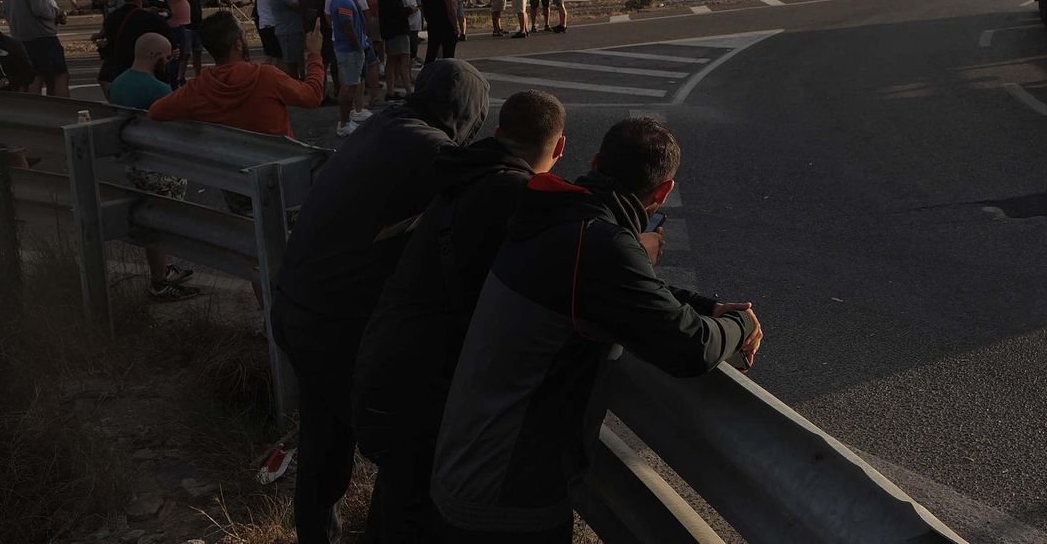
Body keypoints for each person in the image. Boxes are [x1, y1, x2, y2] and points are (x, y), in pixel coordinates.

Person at [431, 117, 763, 543]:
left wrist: (707, 306)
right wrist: (741, 322)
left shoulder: (556, 214)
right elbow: (689, 346)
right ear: (663, 192)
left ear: (595, 160)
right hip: (507, 496)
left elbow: (629, 290)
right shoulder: (597, 245)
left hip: (466, 465)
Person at [270, 60, 489, 544]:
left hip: (296, 302)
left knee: (325, 436)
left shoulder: (383, 124)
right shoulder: (430, 150)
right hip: (333, 322)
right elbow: (493, 191)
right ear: (467, 114)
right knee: (405, 447)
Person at [353, 90, 567, 540]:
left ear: (498, 132)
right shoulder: (517, 197)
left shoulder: (461, 171)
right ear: (560, 147)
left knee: (397, 499)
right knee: (418, 509)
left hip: (387, 357)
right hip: (430, 383)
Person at [108, 32, 199, 302]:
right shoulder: (157, 89)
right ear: (153, 56)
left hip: (132, 162)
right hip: (157, 164)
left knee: (151, 218)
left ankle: (162, 269)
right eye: (166, 58)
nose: (168, 62)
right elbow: (178, 121)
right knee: (163, 224)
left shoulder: (119, 82)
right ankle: (159, 282)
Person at [148, 11, 324, 139]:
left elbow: (155, 112)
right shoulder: (267, 77)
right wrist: (315, 54)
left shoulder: (198, 88)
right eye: (244, 34)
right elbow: (312, 96)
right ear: (238, 44)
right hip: (279, 166)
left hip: (231, 171)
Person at [94, 0, 178, 98]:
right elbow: (172, 47)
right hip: (149, 74)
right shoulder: (153, 19)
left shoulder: (111, 18)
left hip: (120, 73)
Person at [2, 0, 69, 96]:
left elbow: (5, 10)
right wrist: (57, 12)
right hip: (42, 36)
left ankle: (33, 107)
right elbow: (40, 9)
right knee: (59, 75)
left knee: (34, 76)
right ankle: (63, 106)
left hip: (20, 37)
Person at [327, 0, 377, 138]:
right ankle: (344, 123)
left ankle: (347, 119)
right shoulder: (343, 1)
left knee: (352, 84)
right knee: (349, 87)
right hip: (349, 50)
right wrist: (358, 48)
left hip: (352, 48)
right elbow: (348, 28)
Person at [153, 0, 196, 86]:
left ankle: (169, 82)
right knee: (176, 56)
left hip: (169, 22)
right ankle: (172, 84)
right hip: (176, 24)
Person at [376, 0, 418, 99]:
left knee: (392, 60)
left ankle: (390, 91)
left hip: (388, 29)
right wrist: (410, 10)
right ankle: (408, 90)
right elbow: (395, 10)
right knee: (404, 60)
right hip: (398, 28)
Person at [266, 0, 306, 80]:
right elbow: (298, 6)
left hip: (292, 29)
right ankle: (293, 83)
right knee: (291, 62)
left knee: (298, 59)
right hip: (289, 31)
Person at [421, 0, 460, 65]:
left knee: (431, 51)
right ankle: (446, 72)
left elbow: (423, 6)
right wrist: (455, 26)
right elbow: (450, 9)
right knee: (448, 54)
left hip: (432, 22)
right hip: (445, 23)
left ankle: (427, 71)